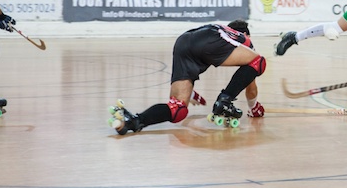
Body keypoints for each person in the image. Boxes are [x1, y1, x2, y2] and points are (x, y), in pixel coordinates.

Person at [108, 20, 267, 134]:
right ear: (244, 33)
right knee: (259, 62)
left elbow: (201, 47)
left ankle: (133, 121)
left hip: (183, 41)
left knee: (178, 110)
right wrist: (254, 108)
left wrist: (189, 92)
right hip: (209, 39)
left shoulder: (221, 31)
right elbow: (251, 84)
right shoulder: (242, 38)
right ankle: (224, 100)